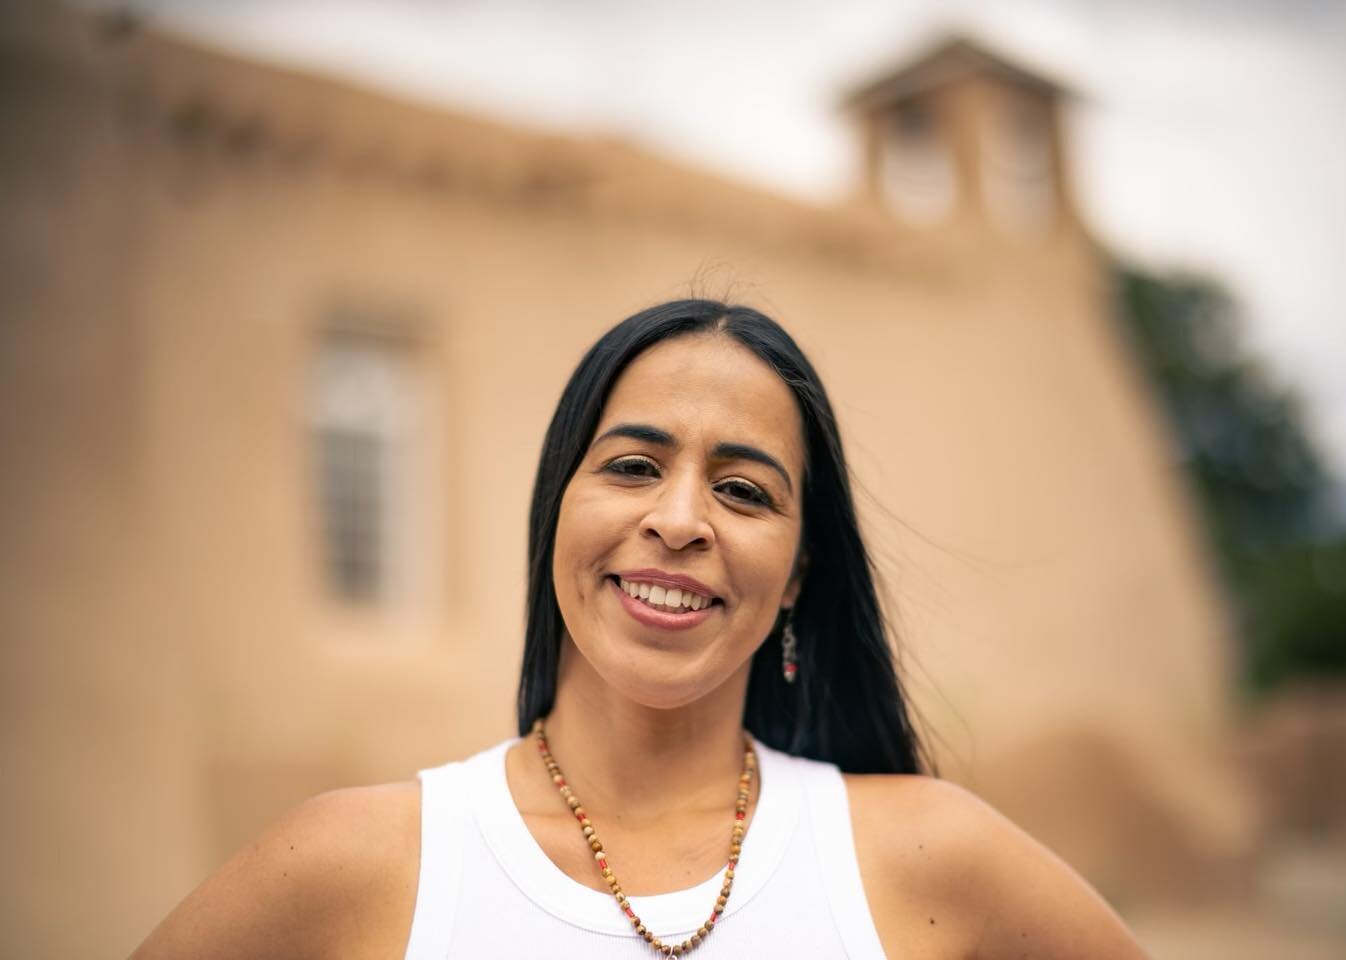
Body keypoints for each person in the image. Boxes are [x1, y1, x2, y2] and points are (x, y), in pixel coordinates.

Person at [132, 300, 1146, 958]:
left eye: (744, 490)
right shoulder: (351, 862)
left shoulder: (935, 857)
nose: (678, 518)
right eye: (630, 465)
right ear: (556, 514)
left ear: (799, 577)